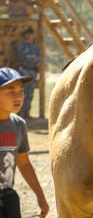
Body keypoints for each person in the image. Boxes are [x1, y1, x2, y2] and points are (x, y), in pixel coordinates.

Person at [0, 67, 49, 218]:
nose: (18, 96)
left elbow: (24, 163)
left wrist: (40, 196)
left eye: (21, 91)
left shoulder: (18, 125)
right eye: (11, 91)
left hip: (8, 195)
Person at [14, 28, 41, 119]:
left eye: (31, 34)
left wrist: (32, 58)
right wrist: (32, 57)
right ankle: (19, 113)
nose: (29, 36)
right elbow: (23, 57)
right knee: (22, 92)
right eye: (27, 34)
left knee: (30, 93)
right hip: (24, 71)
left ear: (34, 35)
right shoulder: (21, 45)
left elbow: (39, 58)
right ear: (25, 35)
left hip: (32, 72)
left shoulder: (35, 47)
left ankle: (27, 113)